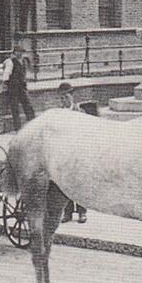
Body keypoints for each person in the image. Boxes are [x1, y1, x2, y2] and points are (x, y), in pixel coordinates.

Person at [57, 83, 87, 224]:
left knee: (80, 183)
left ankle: (82, 212)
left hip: (79, 154)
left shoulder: (80, 112)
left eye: (66, 97)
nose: (64, 100)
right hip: (64, 154)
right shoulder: (58, 114)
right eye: (61, 98)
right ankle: (67, 213)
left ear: (72, 96)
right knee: (66, 185)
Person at [1, 44, 35, 130]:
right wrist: (5, 84)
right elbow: (6, 74)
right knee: (15, 108)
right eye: (19, 52)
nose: (20, 54)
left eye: (22, 52)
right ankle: (18, 127)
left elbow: (24, 73)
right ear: (15, 52)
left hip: (21, 87)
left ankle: (32, 123)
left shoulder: (23, 61)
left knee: (28, 105)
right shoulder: (10, 62)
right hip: (13, 88)